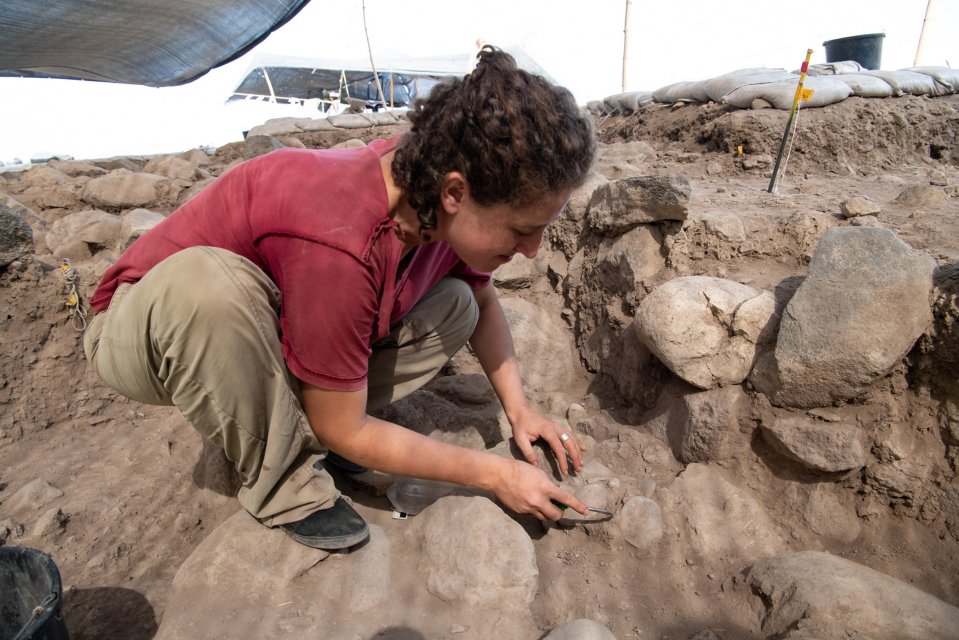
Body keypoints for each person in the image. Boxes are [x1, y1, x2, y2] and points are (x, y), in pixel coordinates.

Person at [83, 46, 597, 550]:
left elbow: (483, 305)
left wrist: (520, 412)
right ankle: (285, 486)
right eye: (522, 230)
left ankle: (301, 422)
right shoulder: (339, 236)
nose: (532, 251)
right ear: (456, 193)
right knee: (209, 286)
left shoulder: (429, 188)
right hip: (146, 325)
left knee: (458, 303)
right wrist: (494, 474)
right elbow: (343, 425)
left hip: (274, 322)